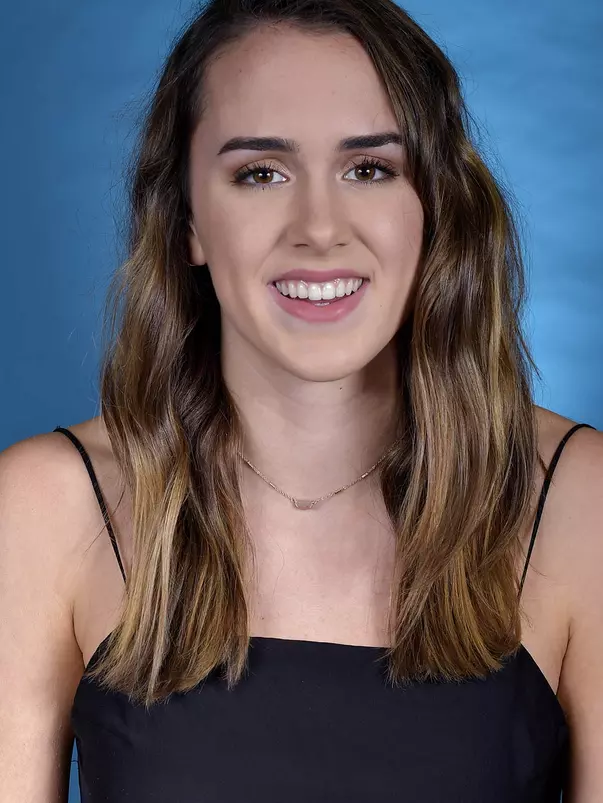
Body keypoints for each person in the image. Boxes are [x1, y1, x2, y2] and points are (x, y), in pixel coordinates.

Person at [1, 0, 602, 800]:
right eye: (261, 173)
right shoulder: (47, 505)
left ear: (432, 207)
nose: (319, 227)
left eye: (368, 169)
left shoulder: (579, 502)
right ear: (187, 221)